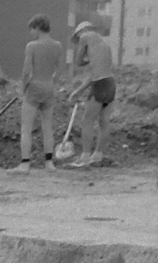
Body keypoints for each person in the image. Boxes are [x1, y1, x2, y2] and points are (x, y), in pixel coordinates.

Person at [12, 14, 64, 172]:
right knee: (47, 127)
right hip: (49, 86)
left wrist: (23, 88)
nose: (31, 32)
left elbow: (27, 71)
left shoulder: (32, 46)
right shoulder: (58, 45)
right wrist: (53, 83)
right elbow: (59, 70)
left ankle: (25, 163)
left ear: (38, 28)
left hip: (35, 86)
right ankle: (49, 162)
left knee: (26, 127)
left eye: (32, 29)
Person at [68, 21, 116, 167]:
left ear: (82, 31)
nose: (78, 41)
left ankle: (85, 156)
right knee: (104, 121)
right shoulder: (104, 46)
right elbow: (92, 76)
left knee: (87, 121)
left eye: (77, 37)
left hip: (100, 85)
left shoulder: (86, 36)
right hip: (110, 84)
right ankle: (98, 154)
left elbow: (77, 61)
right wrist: (77, 92)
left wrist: (83, 58)